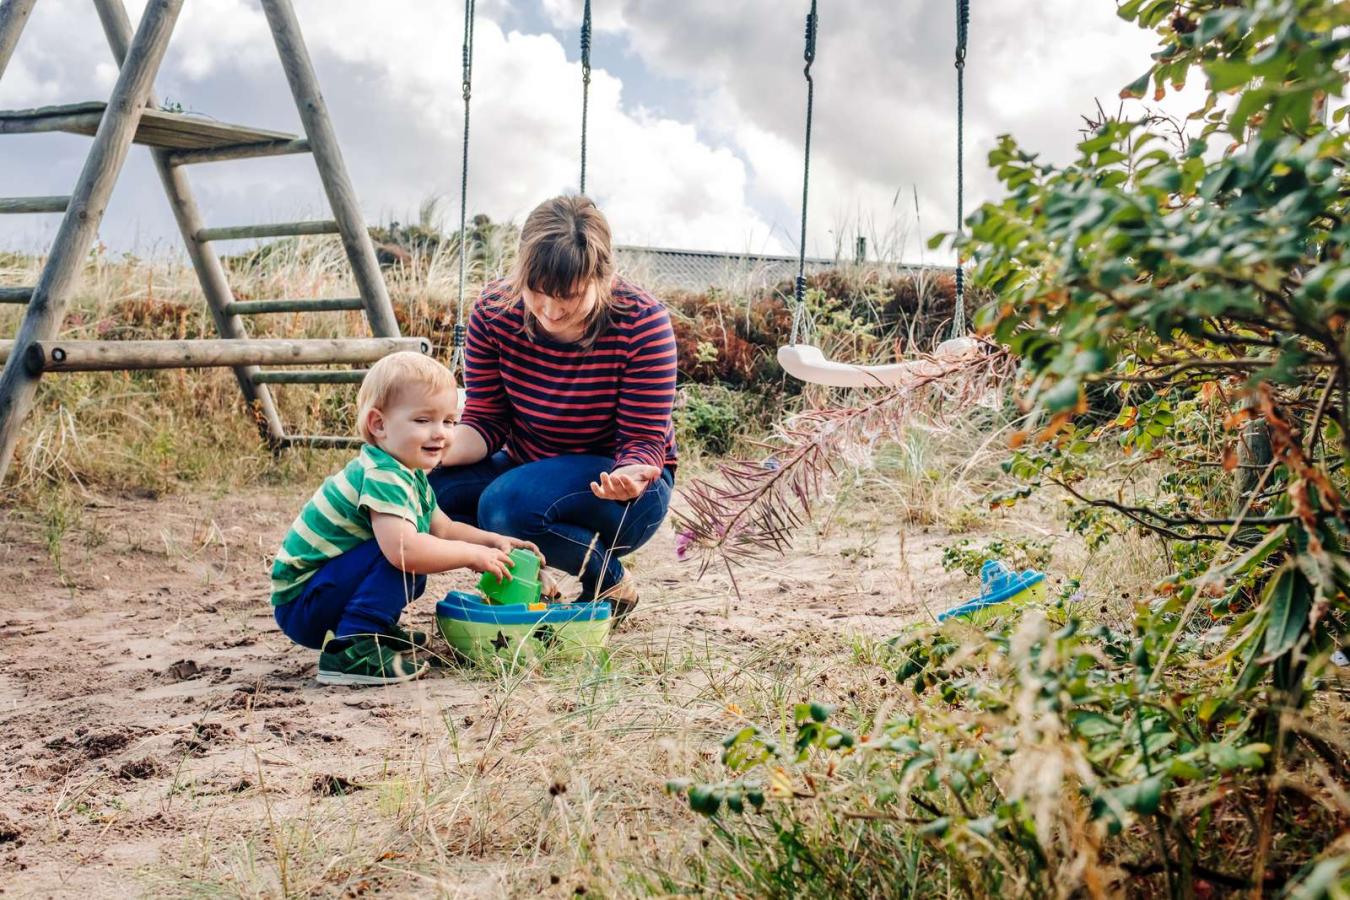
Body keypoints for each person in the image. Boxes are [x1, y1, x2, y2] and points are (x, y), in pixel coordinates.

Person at [431, 195, 677, 619]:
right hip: (526, 467)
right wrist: (432, 452)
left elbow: (642, 439)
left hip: (619, 491)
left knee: (504, 506)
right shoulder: (494, 312)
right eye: (537, 292)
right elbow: (486, 421)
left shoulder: (642, 322)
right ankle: (533, 579)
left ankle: (608, 579)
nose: (550, 309)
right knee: (424, 493)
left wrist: (630, 473)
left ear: (602, 277)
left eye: (570, 296)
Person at [270, 351, 541, 686]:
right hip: (303, 602)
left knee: (417, 555)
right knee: (406, 557)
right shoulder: (383, 474)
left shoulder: (408, 473)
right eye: (423, 421)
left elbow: (444, 528)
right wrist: (471, 556)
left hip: (322, 592)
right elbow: (403, 550)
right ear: (379, 425)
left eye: (449, 421)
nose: (440, 433)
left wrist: (492, 541)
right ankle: (353, 647)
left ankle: (375, 628)